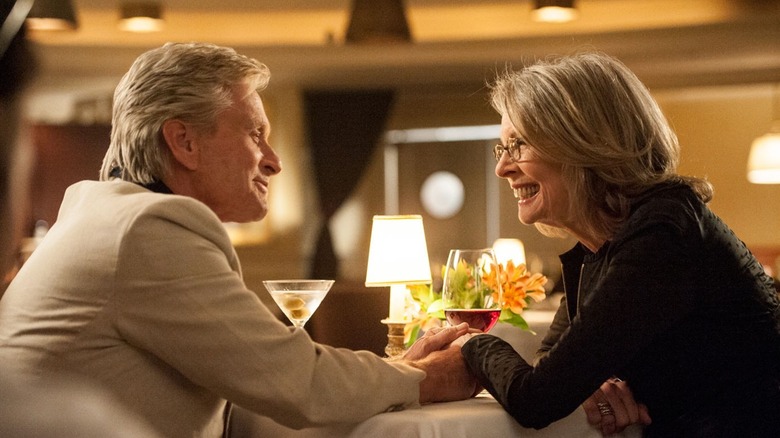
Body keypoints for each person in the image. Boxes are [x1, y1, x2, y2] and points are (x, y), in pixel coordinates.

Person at [0, 41, 477, 438]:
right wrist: (424, 378)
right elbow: (296, 383)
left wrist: (400, 372)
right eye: (255, 135)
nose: (274, 161)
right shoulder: (147, 231)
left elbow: (253, 392)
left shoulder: (111, 218)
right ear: (184, 142)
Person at [460, 52, 780, 437]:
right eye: (503, 148)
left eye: (519, 145)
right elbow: (552, 358)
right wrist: (587, 381)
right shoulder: (600, 247)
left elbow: (535, 398)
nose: (502, 168)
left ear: (582, 142)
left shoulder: (662, 234)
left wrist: (471, 343)